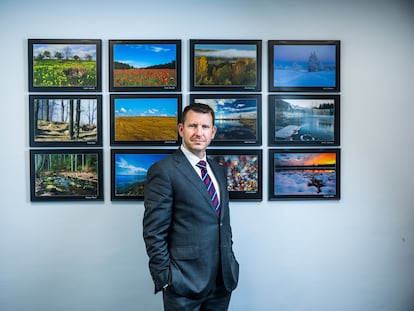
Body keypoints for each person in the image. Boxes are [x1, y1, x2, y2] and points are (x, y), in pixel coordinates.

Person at [143, 103, 239, 311]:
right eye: (192, 126)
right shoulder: (163, 171)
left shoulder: (218, 171)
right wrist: (166, 278)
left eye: (205, 127)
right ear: (180, 129)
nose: (198, 133)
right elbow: (154, 231)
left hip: (222, 281)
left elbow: (222, 222)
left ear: (213, 132)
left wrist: (231, 262)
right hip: (183, 283)